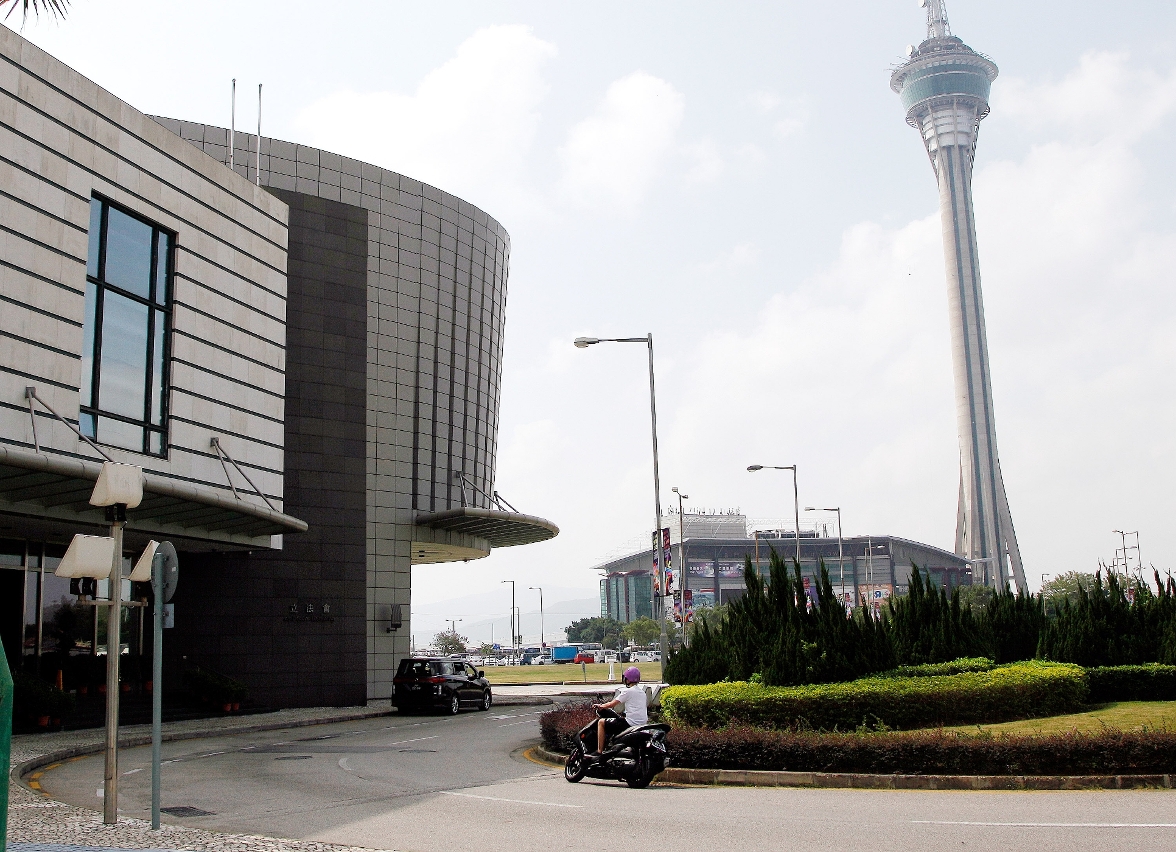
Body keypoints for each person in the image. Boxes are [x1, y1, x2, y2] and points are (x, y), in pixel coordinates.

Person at [591, 666, 648, 756]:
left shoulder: (628, 692)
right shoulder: (642, 693)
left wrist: (600, 706)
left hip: (630, 723)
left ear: (628, 680)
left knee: (601, 722)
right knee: (619, 720)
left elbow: (612, 704)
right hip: (642, 724)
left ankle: (599, 751)